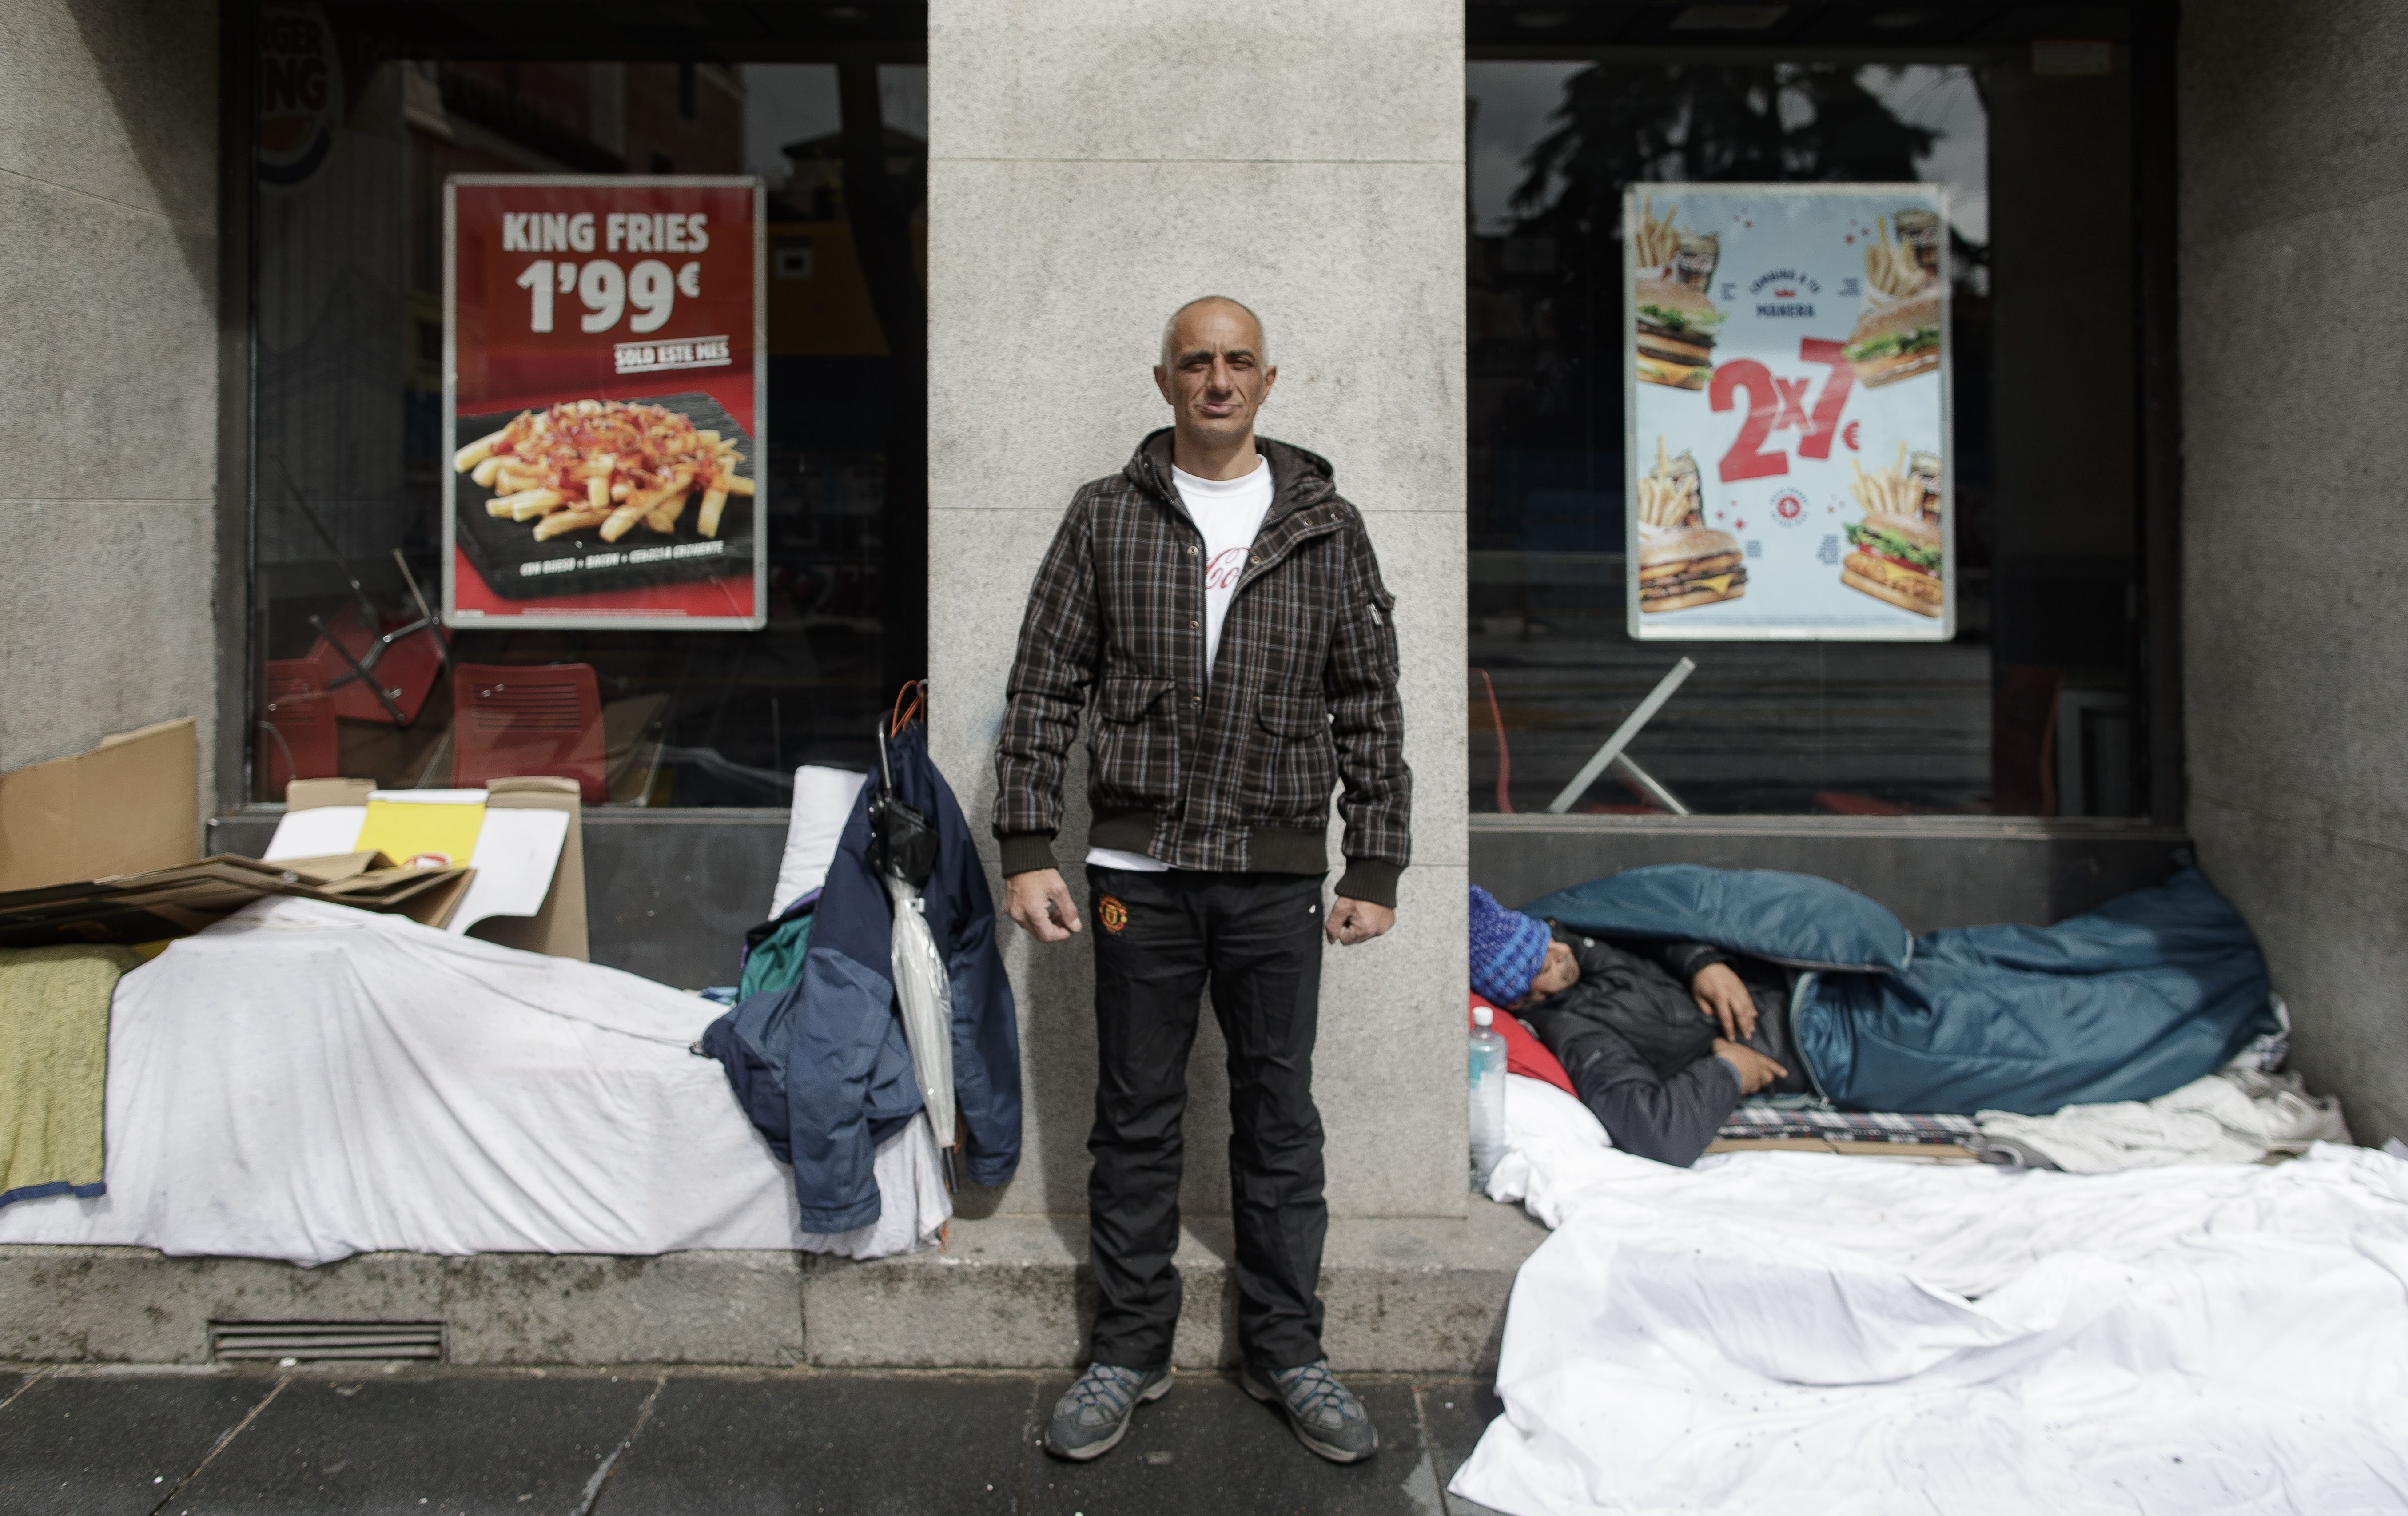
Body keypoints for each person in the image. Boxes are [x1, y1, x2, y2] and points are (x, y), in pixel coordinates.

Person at [996, 296, 1410, 1465]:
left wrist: (1373, 858)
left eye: (1236, 361)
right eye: (1195, 363)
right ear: (1164, 380)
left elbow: (1368, 704)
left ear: (1268, 380)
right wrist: (1027, 844)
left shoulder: (1326, 525)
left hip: (1274, 873)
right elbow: (1041, 689)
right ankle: (1127, 1348)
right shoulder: (1106, 517)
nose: (1216, 380)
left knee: (1278, 1115)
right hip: (1138, 873)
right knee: (1134, 1113)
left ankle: (1289, 1349)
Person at [1467, 885, 1806, 1167]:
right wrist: (1728, 1069)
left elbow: (1648, 921)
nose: (1561, 950)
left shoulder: (1577, 950)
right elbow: (1657, 1134)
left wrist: (1701, 962)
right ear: (1519, 1001)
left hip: (1785, 979)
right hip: (1794, 1044)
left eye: (1547, 938)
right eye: (1546, 966)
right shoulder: (1578, 1036)